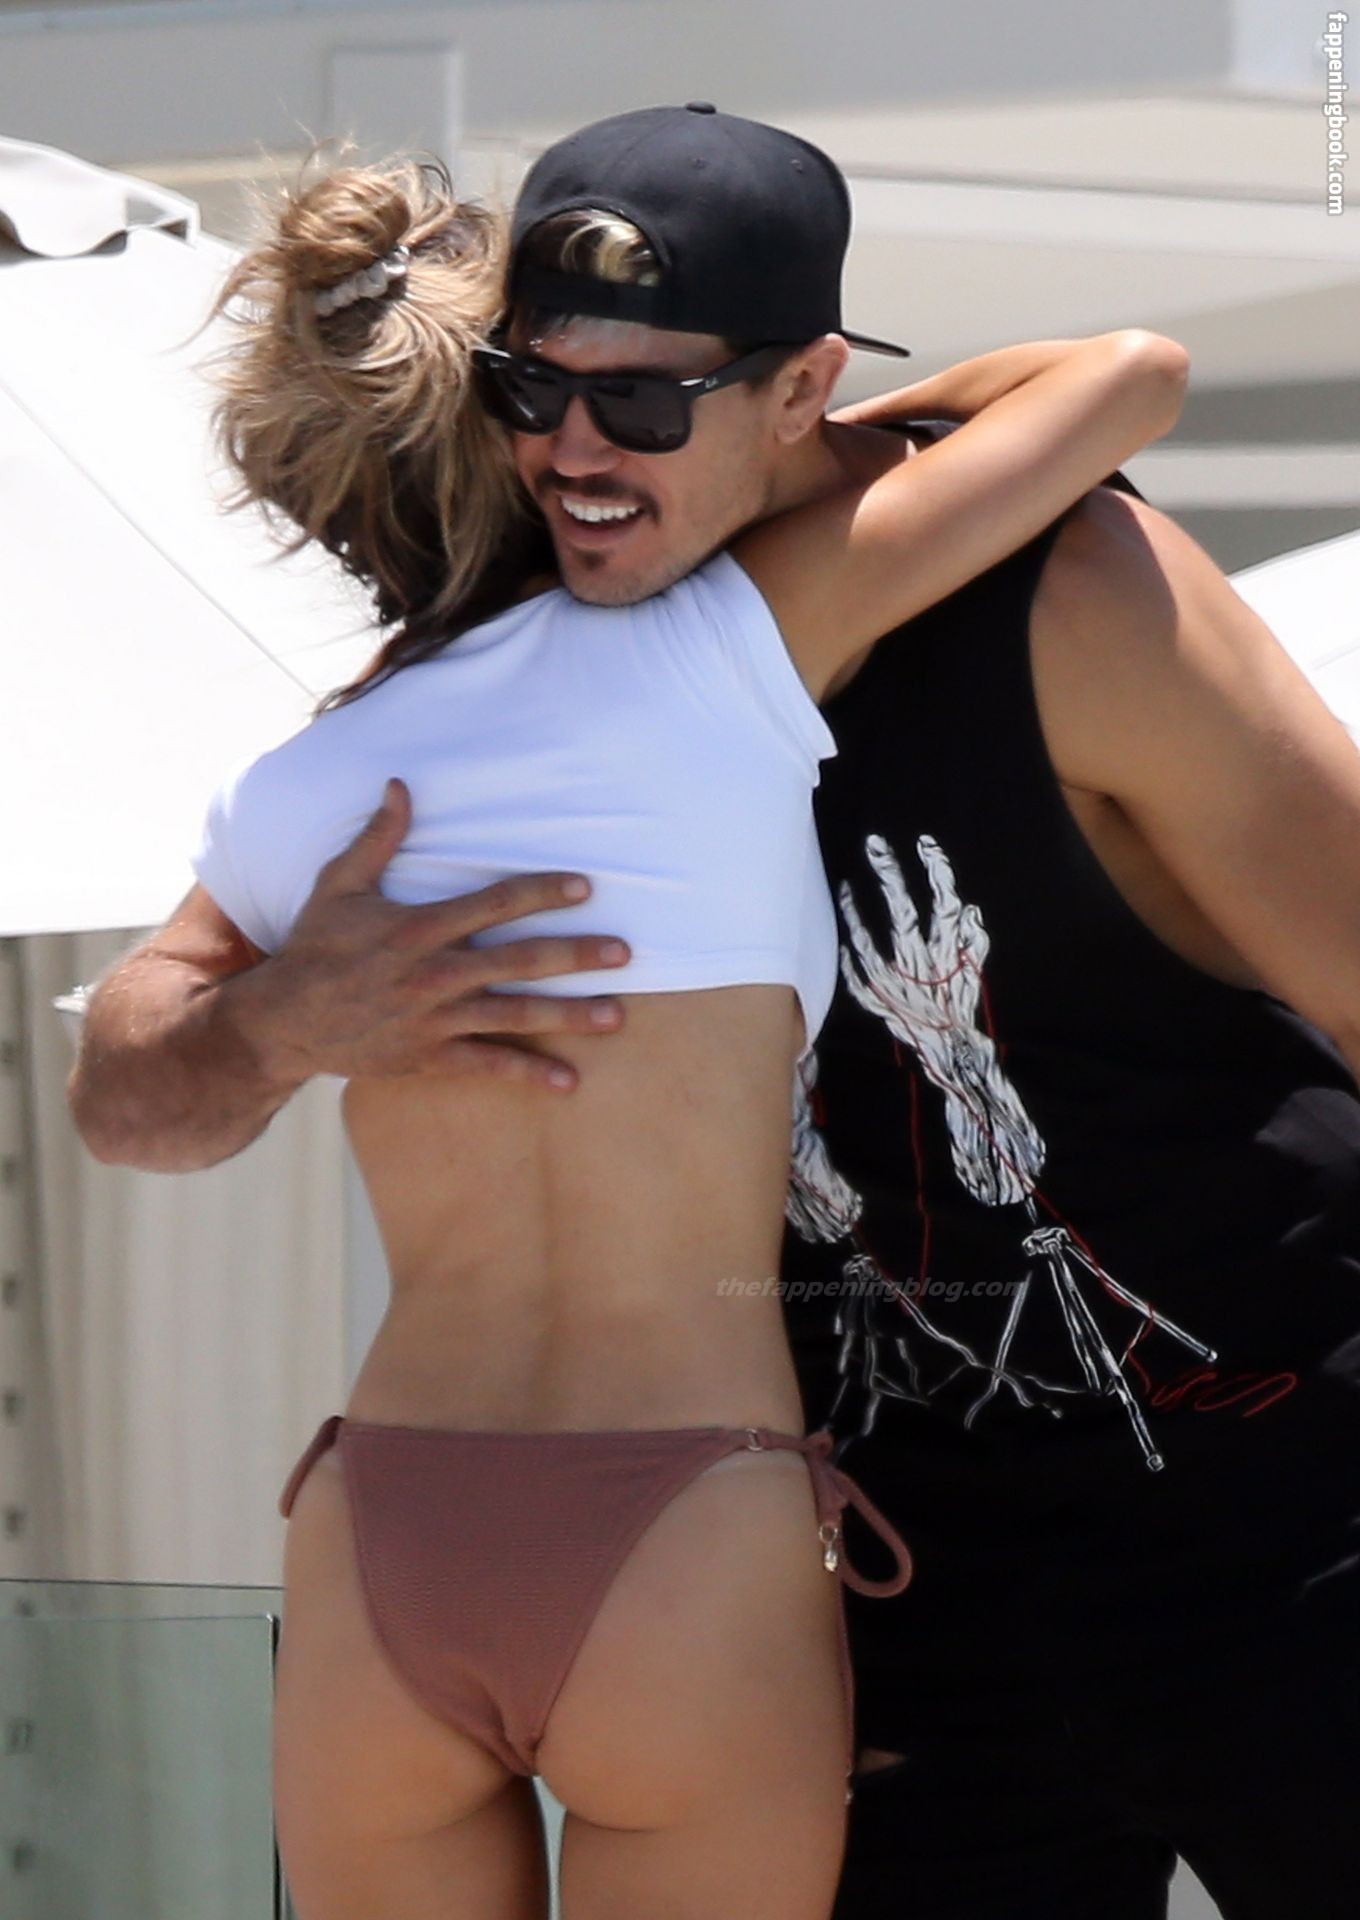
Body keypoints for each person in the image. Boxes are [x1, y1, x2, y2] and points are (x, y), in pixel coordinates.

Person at [65, 110, 1185, 1919]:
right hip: (685, 1525)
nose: (586, 442)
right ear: (497, 419)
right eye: (547, 395)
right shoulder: (723, 647)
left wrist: (281, 1023)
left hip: (387, 1520)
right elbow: (1132, 377)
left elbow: (122, 1102)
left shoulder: (312, 787)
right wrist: (781, 417)